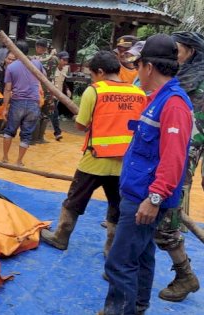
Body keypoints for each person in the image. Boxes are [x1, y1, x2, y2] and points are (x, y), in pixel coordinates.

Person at [102, 34, 193, 315]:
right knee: (141, 257)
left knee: (119, 262)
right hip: (138, 193)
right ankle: (138, 305)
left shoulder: (173, 105)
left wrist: (154, 199)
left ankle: (121, 311)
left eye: (138, 64)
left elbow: (174, 158)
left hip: (144, 198)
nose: (136, 70)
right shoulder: (158, 99)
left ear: (149, 67)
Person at [40, 51, 146, 255]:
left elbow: (81, 125)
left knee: (74, 200)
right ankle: (111, 249)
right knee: (117, 206)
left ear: (100, 72)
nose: (92, 78)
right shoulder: (138, 93)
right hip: (124, 162)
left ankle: (61, 237)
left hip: (95, 159)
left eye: (92, 74)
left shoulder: (95, 91)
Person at [150, 31, 203, 303]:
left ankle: (185, 276)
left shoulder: (197, 83)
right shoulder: (179, 78)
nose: (173, 53)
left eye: (177, 48)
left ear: (190, 52)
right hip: (167, 153)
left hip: (181, 157)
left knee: (166, 219)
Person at [1, 41, 43, 166]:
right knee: (26, 134)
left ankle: (5, 157)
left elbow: (8, 89)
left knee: (9, 131)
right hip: (33, 104)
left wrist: (4, 108)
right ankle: (19, 161)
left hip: (17, 102)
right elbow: (42, 79)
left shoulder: (11, 67)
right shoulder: (37, 63)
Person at [31, 38, 58, 144]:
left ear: (38, 47)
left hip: (39, 89)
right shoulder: (55, 59)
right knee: (46, 114)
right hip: (50, 89)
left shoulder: (36, 59)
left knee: (36, 113)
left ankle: (33, 138)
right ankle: (40, 138)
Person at [51, 50, 71, 141]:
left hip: (58, 95)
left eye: (67, 60)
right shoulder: (52, 69)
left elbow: (64, 80)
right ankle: (57, 133)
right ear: (58, 59)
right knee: (54, 113)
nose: (65, 62)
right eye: (64, 60)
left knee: (52, 113)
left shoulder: (65, 69)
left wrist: (67, 89)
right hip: (50, 95)